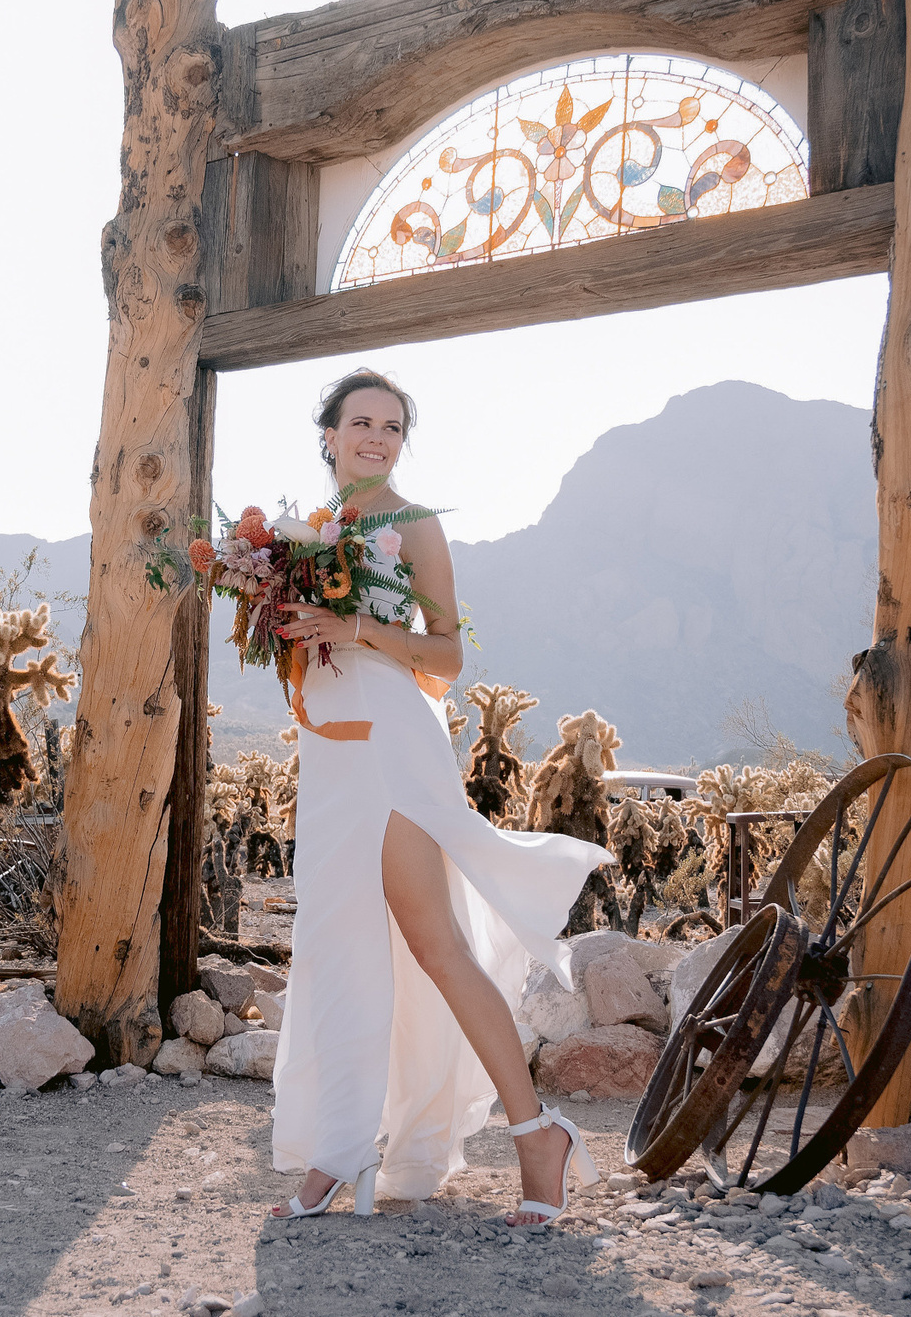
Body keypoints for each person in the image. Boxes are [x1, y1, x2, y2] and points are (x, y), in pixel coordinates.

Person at [265, 367, 612, 1224]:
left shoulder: (415, 527)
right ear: (329, 435)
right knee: (332, 938)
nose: (376, 437)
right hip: (333, 755)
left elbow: (448, 657)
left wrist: (355, 628)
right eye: (361, 423)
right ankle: (337, 1148)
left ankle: (538, 1136)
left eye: (391, 425)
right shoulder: (302, 536)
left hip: (393, 750)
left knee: (433, 941)